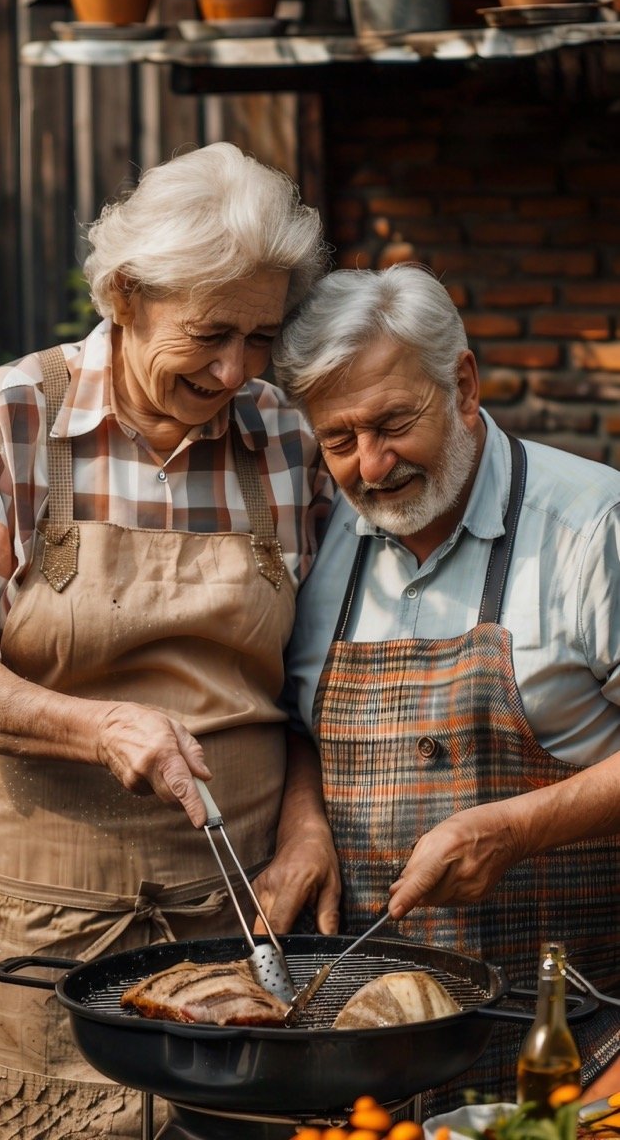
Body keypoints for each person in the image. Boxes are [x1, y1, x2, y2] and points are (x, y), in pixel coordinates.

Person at [0, 142, 341, 1140]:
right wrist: (94, 723)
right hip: (39, 929)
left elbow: (320, 678)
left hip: (236, 927)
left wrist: (309, 825)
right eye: (212, 332)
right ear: (125, 294)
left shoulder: (282, 437)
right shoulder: (10, 416)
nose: (236, 369)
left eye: (263, 336)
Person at [271, 263, 620, 1111]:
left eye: (393, 423)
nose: (371, 465)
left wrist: (513, 827)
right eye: (339, 439)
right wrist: (302, 818)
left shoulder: (590, 527)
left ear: (461, 384)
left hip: (565, 1050)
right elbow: (297, 728)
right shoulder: (322, 545)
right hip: (363, 1065)